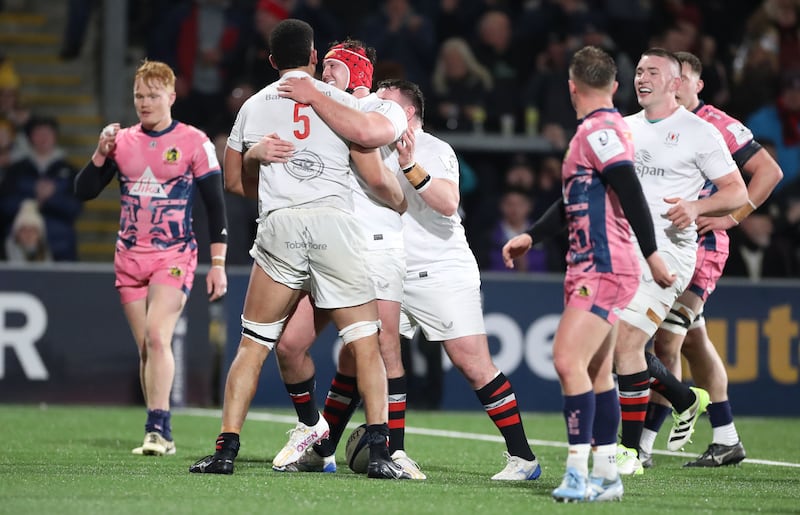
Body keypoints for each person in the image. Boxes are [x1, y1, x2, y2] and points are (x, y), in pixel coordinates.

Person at [188, 19, 409, 480]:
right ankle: (381, 453)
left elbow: (233, 182)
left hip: (280, 226)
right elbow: (372, 163)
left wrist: (257, 163)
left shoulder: (251, 106)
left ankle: (227, 450)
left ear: (271, 62)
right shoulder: (343, 104)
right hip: (334, 224)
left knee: (253, 346)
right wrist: (400, 197)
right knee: (365, 343)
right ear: (313, 57)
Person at [503, 45, 673, 502]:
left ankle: (578, 473)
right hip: (597, 265)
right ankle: (606, 475)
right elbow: (579, 198)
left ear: (572, 87)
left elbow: (627, 185)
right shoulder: (606, 130)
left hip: (601, 266)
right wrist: (532, 237)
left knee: (566, 360)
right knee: (598, 373)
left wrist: (654, 253)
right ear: (615, 86)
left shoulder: (599, 131)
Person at [266, 38, 425, 479]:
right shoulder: (311, 106)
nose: (323, 73)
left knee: (380, 348)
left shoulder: (384, 107)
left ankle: (391, 448)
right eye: (325, 65)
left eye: (334, 67)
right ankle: (317, 435)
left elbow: (368, 135)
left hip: (374, 242)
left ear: (357, 72)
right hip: (322, 243)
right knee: (292, 345)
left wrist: (395, 196)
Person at [374, 78, 541, 481]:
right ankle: (390, 452)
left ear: (408, 112)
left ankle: (524, 459)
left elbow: (449, 202)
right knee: (380, 357)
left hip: (441, 269)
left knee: (472, 364)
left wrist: (411, 166)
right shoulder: (371, 149)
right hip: (390, 268)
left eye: (386, 104)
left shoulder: (434, 149)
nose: (377, 110)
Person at [73, 59, 229, 456]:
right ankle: (162, 430)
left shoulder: (195, 141)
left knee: (158, 336)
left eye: (153, 95)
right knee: (147, 346)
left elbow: (215, 205)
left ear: (171, 97)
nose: (144, 103)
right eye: (139, 96)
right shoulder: (121, 141)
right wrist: (99, 153)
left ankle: (157, 429)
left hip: (173, 255)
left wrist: (219, 265)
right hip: (128, 258)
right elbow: (84, 191)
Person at [638, 50, 784, 468]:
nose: (674, 84)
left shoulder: (716, 124)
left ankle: (642, 445)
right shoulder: (654, 122)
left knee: (667, 339)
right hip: (666, 243)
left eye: (681, 78)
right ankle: (727, 437)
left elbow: (768, 172)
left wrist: (732, 218)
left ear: (697, 85)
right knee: (695, 343)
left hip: (701, 247)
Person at [613, 48, 748, 475]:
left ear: (677, 82)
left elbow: (739, 192)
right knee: (613, 346)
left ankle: (632, 450)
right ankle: (686, 398)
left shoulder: (702, 130)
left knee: (636, 344)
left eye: (653, 71)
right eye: (637, 71)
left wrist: (697, 206)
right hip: (623, 249)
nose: (641, 78)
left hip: (671, 253)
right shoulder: (623, 128)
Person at [0, 116, 81, 261]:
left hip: (59, 244)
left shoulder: (69, 171)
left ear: (55, 136)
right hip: (18, 245)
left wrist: (51, 198)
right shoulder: (16, 170)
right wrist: (34, 196)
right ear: (31, 137)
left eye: (47, 133)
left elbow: (74, 208)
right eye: (38, 134)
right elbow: (5, 205)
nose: (43, 138)